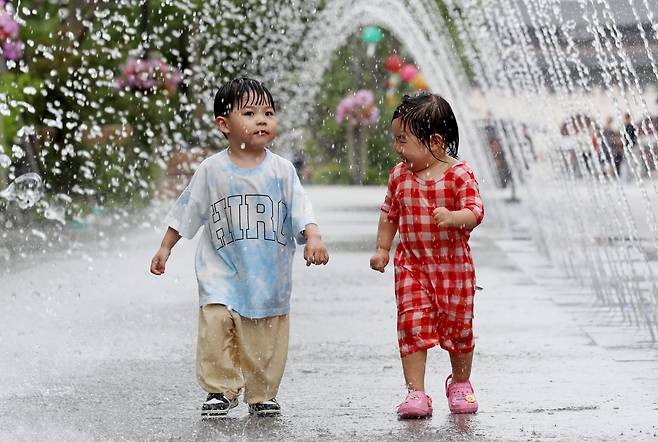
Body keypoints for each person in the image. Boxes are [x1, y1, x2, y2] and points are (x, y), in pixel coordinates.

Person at [150, 77, 329, 418]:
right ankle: (220, 389)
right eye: (249, 113)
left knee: (265, 341)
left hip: (268, 279)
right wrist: (165, 248)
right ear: (223, 124)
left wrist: (314, 237)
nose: (262, 120)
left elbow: (301, 209)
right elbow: (188, 209)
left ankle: (261, 394)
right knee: (216, 324)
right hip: (221, 272)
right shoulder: (212, 170)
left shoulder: (282, 170)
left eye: (269, 112)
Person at [370, 93, 484, 418]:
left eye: (403, 140)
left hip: (454, 270)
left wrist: (455, 216)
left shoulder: (458, 174)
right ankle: (416, 392)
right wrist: (382, 248)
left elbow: (476, 210)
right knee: (411, 325)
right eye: (396, 139)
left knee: (459, 328)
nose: (397, 148)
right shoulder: (399, 176)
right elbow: (389, 214)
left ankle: (460, 383)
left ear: (434, 141)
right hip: (413, 266)